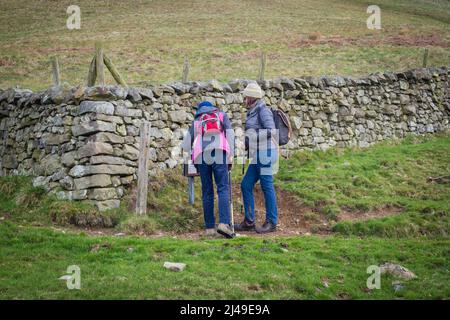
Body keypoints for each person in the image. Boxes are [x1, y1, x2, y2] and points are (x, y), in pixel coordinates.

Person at [182, 101, 235, 238]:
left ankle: (209, 228)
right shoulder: (222, 115)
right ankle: (224, 224)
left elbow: (186, 144)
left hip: (202, 156)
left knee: (207, 191)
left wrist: (191, 153)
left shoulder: (198, 119)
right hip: (220, 152)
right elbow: (230, 135)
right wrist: (231, 155)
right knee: (222, 188)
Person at [234, 82, 279, 234]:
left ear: (252, 98)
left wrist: (252, 138)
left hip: (266, 152)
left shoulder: (263, 110)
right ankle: (249, 221)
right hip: (258, 154)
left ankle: (272, 222)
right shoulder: (253, 111)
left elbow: (271, 131)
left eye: (246, 96)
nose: (244, 99)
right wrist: (246, 143)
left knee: (267, 186)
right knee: (246, 184)